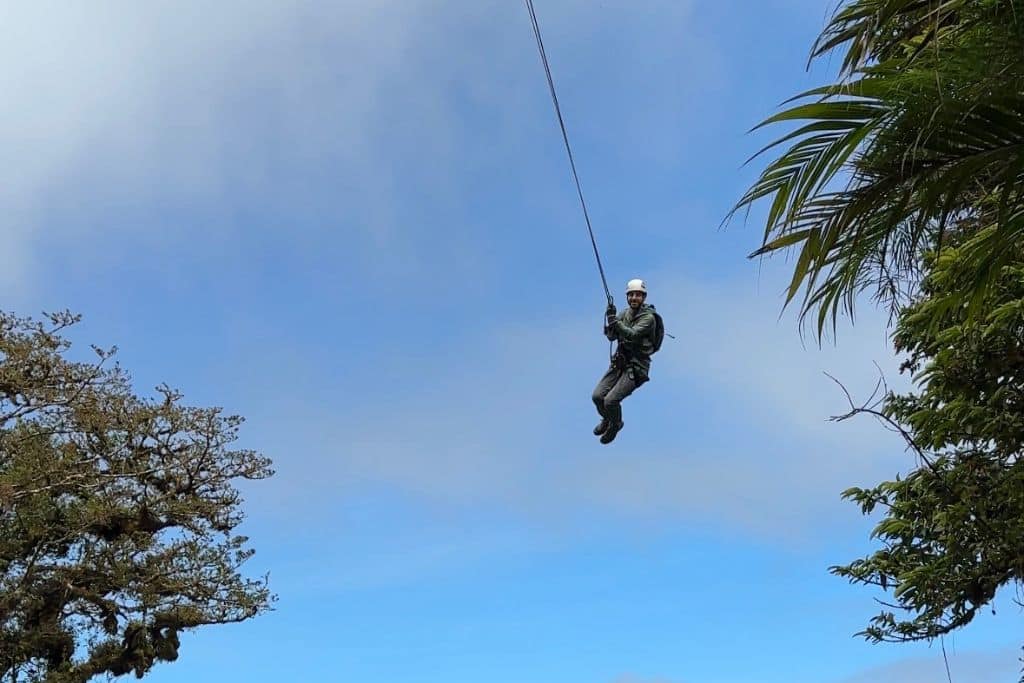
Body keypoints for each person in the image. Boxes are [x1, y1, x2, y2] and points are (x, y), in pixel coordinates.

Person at [591, 278, 657, 444]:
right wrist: (610, 319)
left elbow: (632, 334)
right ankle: (608, 418)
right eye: (631, 295)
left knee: (611, 400)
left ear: (644, 297)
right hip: (620, 362)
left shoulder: (648, 318)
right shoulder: (624, 314)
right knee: (598, 396)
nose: (634, 298)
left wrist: (616, 322)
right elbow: (613, 336)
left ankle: (615, 424)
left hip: (636, 368)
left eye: (638, 295)